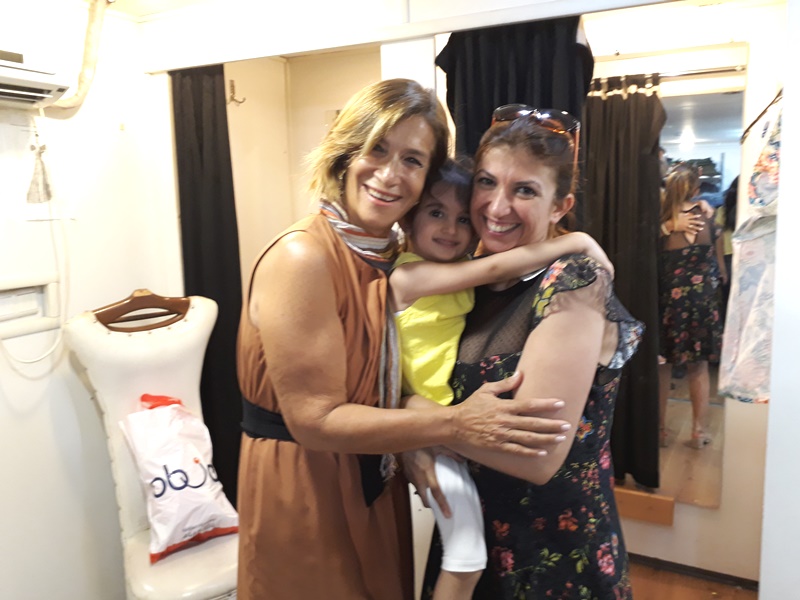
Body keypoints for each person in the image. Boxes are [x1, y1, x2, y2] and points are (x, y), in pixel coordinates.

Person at [235, 80, 573, 600]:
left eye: (412, 160)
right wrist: (454, 423)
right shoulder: (304, 257)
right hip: (305, 484)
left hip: (372, 469)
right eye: (377, 149)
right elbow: (314, 420)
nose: (391, 175)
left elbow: (388, 379)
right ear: (346, 153)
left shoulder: (385, 258)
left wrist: (410, 438)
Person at [400, 105, 643, 599]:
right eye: (487, 183)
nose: (497, 206)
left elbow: (538, 457)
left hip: (551, 553)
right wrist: (411, 441)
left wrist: (410, 414)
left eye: (525, 190)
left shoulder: (573, 282)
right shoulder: (469, 279)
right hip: (473, 535)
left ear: (560, 206)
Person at [657, 166, 727, 450]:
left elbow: (644, 253)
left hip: (669, 302)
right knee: (698, 367)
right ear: (696, 190)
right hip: (703, 302)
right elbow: (719, 264)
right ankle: (699, 431)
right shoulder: (707, 217)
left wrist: (666, 227)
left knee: (662, 366)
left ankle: (659, 431)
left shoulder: (662, 222)